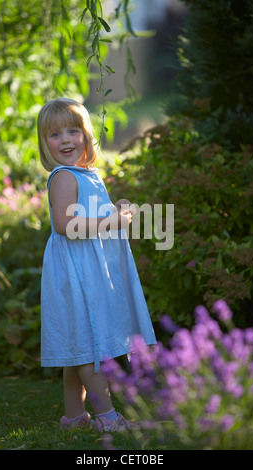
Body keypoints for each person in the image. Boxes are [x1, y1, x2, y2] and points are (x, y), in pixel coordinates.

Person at [37, 97, 156, 432]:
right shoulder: (62, 177)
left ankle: (74, 418)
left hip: (88, 270)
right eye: (55, 135)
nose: (65, 140)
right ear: (45, 143)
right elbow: (64, 225)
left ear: (87, 135)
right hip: (76, 274)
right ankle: (107, 419)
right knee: (90, 347)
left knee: (80, 345)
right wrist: (113, 222)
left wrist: (115, 212)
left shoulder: (85, 174)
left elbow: (92, 216)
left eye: (73, 131)